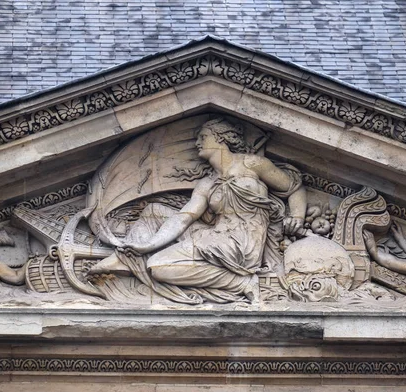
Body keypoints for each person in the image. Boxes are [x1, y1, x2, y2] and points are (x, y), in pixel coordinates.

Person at [90, 118, 307, 303]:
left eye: (203, 137)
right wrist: (148, 245)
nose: (196, 143)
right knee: (155, 212)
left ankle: (240, 281)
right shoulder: (207, 184)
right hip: (215, 237)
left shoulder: (253, 164)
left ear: (221, 137)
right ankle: (127, 256)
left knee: (158, 266)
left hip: (241, 244)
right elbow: (184, 218)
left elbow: (293, 187)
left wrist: (297, 215)